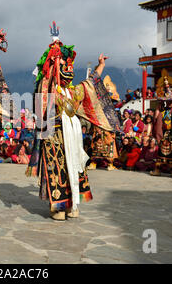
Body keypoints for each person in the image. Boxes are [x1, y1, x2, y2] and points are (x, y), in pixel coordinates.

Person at [26, 24, 119, 221]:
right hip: (54, 135)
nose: (68, 71)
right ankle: (59, 206)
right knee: (57, 168)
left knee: (73, 167)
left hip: (73, 135)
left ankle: (72, 205)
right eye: (63, 67)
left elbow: (91, 82)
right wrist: (54, 52)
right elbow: (45, 78)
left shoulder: (73, 91)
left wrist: (100, 65)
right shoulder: (50, 90)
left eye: (70, 67)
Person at [151, 71, 172, 177]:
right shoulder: (163, 109)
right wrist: (159, 105)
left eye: (170, 100)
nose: (168, 102)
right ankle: (157, 170)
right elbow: (156, 118)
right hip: (164, 133)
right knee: (161, 153)